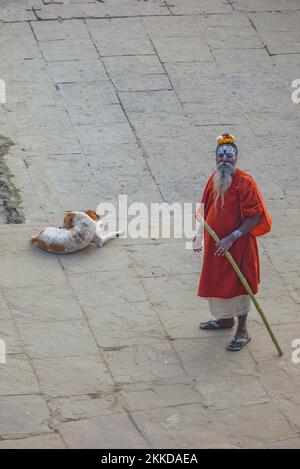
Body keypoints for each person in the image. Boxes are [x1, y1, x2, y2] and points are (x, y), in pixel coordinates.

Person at [193, 134, 272, 351]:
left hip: (238, 248)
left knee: (239, 287)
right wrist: (200, 234)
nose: (224, 161)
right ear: (215, 159)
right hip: (215, 247)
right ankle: (225, 320)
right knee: (216, 283)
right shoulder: (213, 179)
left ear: (236, 159)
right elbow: (205, 209)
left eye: (229, 157)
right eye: (221, 157)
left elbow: (255, 216)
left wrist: (232, 237)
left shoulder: (245, 182)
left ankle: (242, 331)